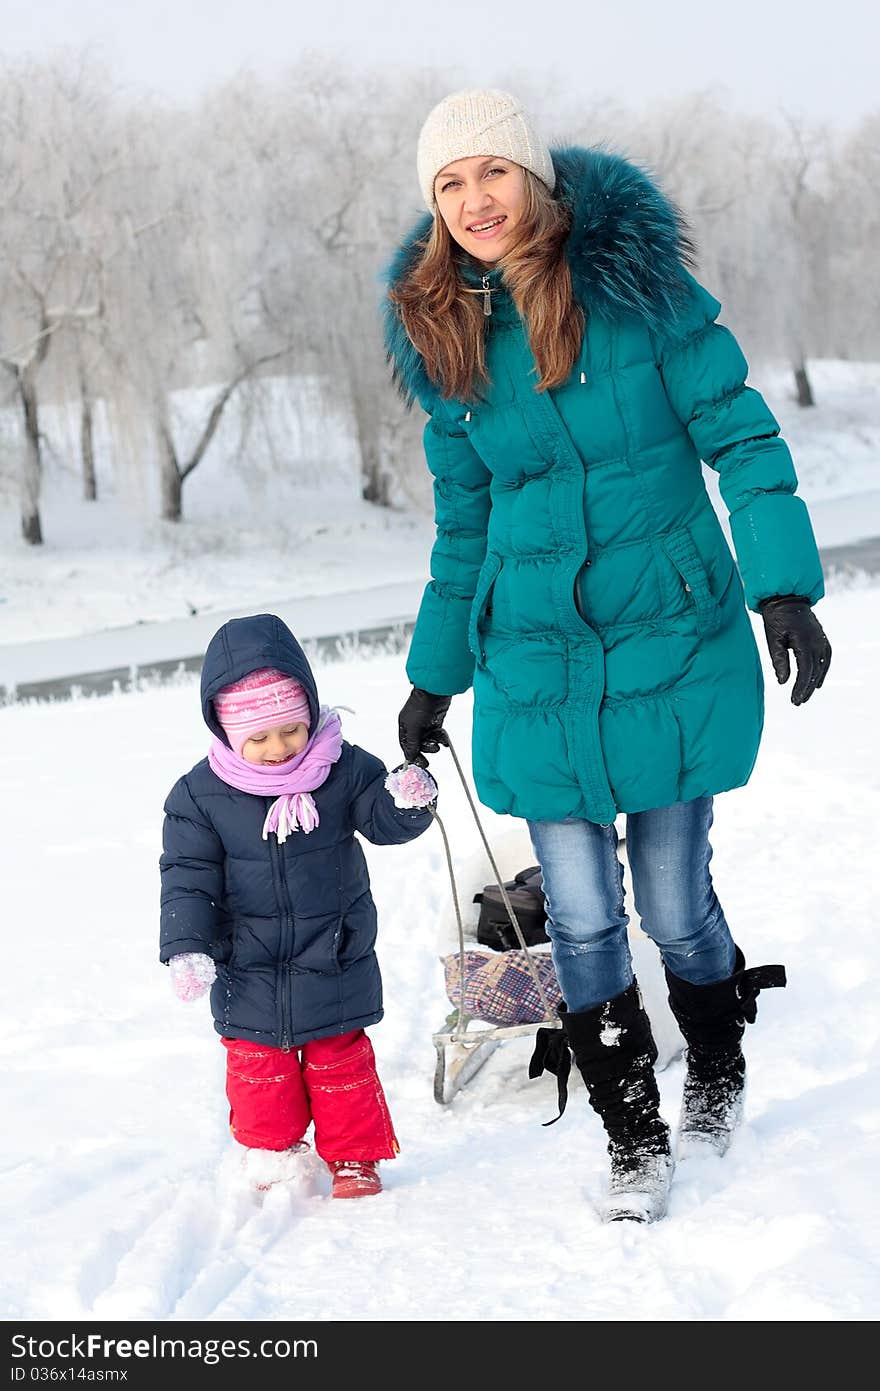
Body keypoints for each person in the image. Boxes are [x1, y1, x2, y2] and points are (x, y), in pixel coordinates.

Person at [385, 90, 832, 1223]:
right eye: (449, 184)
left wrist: (780, 583)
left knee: (676, 906)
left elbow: (740, 433)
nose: (474, 200)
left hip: (669, 642)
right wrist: (435, 672)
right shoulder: (449, 341)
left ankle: (717, 1067)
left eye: (491, 173)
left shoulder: (641, 295)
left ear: (533, 180)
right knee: (580, 915)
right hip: (535, 666)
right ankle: (632, 1129)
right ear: (435, 208)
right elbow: (463, 529)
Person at [159, 613, 437, 1198]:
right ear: (228, 733)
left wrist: (408, 798)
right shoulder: (199, 795)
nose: (276, 748)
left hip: (331, 950)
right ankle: (271, 1154)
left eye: (290, 729)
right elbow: (187, 876)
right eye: (257, 738)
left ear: (310, 710)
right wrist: (187, 945)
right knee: (260, 1069)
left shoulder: (342, 768)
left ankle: (356, 1159)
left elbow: (383, 823)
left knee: (341, 1063)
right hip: (247, 962)